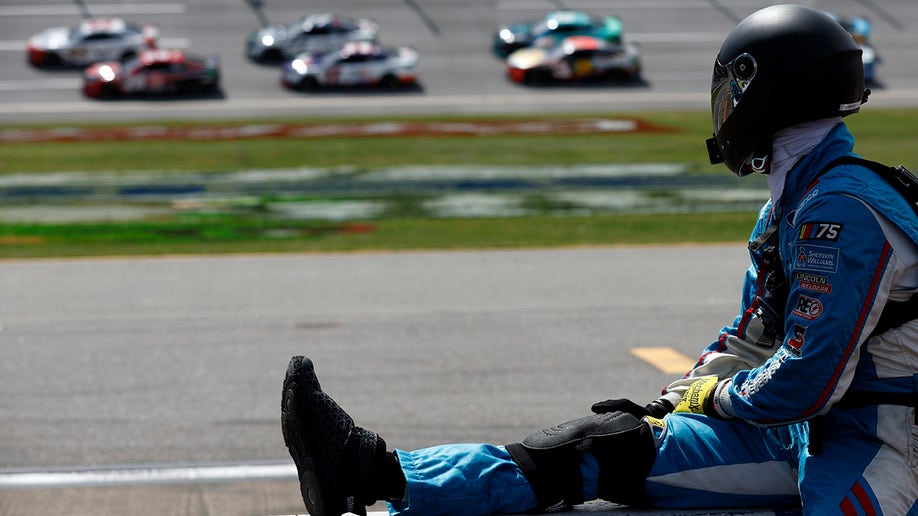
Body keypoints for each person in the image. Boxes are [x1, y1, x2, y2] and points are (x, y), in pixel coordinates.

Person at [280, 5, 918, 515]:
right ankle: (371, 472)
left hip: (889, 434)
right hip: (808, 425)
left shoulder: (845, 212)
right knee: (601, 444)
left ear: (775, 95)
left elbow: (809, 378)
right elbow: (756, 336)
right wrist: (676, 403)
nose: (727, 107)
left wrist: (716, 399)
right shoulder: (795, 203)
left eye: (737, 88)